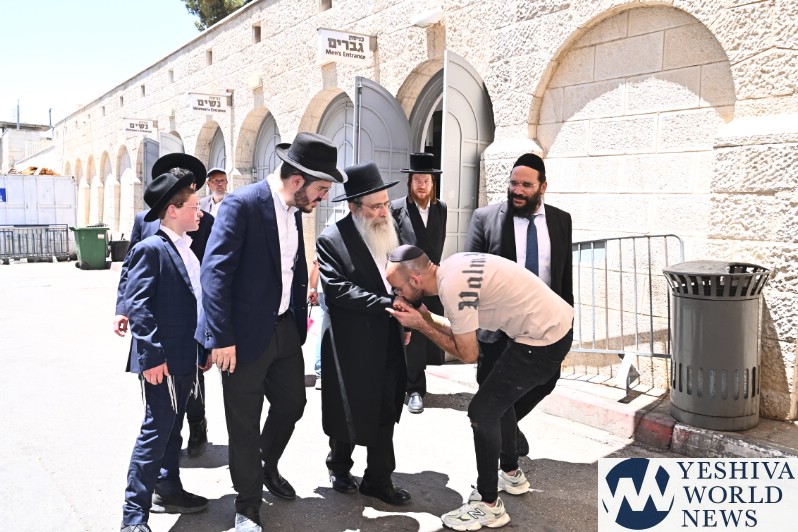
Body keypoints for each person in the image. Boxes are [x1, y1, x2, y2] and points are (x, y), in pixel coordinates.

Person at [196, 132, 344, 532]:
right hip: (241, 339)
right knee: (243, 425)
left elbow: (290, 266)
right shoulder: (242, 205)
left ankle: (263, 465)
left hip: (283, 331)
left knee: (292, 404)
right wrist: (220, 337)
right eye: (321, 189)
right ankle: (247, 506)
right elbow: (214, 274)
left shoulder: (294, 209)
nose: (323, 198)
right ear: (297, 180)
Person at [385, 246, 574, 530]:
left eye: (397, 288)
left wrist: (420, 326)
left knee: (482, 413)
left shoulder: (452, 289)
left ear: (414, 280)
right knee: (497, 400)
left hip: (542, 341)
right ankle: (510, 473)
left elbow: (468, 353)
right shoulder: (453, 267)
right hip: (550, 327)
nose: (396, 294)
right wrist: (424, 315)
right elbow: (461, 330)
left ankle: (489, 506)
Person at [120, 170, 211, 532]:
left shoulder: (185, 247)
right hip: (164, 360)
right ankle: (133, 518)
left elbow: (197, 302)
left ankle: (169, 489)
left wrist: (203, 347)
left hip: (186, 356)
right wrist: (153, 356)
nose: (200, 212)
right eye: (194, 206)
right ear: (173, 210)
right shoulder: (151, 249)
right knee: (155, 433)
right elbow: (138, 306)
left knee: (172, 429)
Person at [316, 161, 412, 506]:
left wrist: (405, 315)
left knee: (385, 405)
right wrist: (388, 303)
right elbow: (338, 290)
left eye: (385, 204)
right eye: (375, 206)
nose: (384, 212)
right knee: (348, 406)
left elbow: (401, 276)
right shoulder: (331, 239)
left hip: (388, 334)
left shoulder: (390, 229)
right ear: (354, 207)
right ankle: (340, 466)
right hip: (350, 342)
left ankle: (378, 479)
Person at [465, 152, 573, 456]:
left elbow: (564, 276)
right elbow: (470, 275)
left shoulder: (561, 220)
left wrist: (568, 322)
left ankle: (507, 427)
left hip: (543, 327)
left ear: (543, 187)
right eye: (513, 183)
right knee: (494, 389)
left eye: (526, 185)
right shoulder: (485, 218)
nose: (517, 190)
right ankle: (504, 463)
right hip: (498, 330)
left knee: (546, 381)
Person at [391, 152, 447, 414]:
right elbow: (392, 249)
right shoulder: (397, 208)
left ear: (432, 183)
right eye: (417, 180)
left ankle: (412, 383)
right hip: (407, 283)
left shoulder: (441, 209)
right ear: (410, 182)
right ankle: (414, 389)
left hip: (432, 283)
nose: (422, 185)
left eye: (426, 180)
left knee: (429, 334)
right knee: (410, 338)